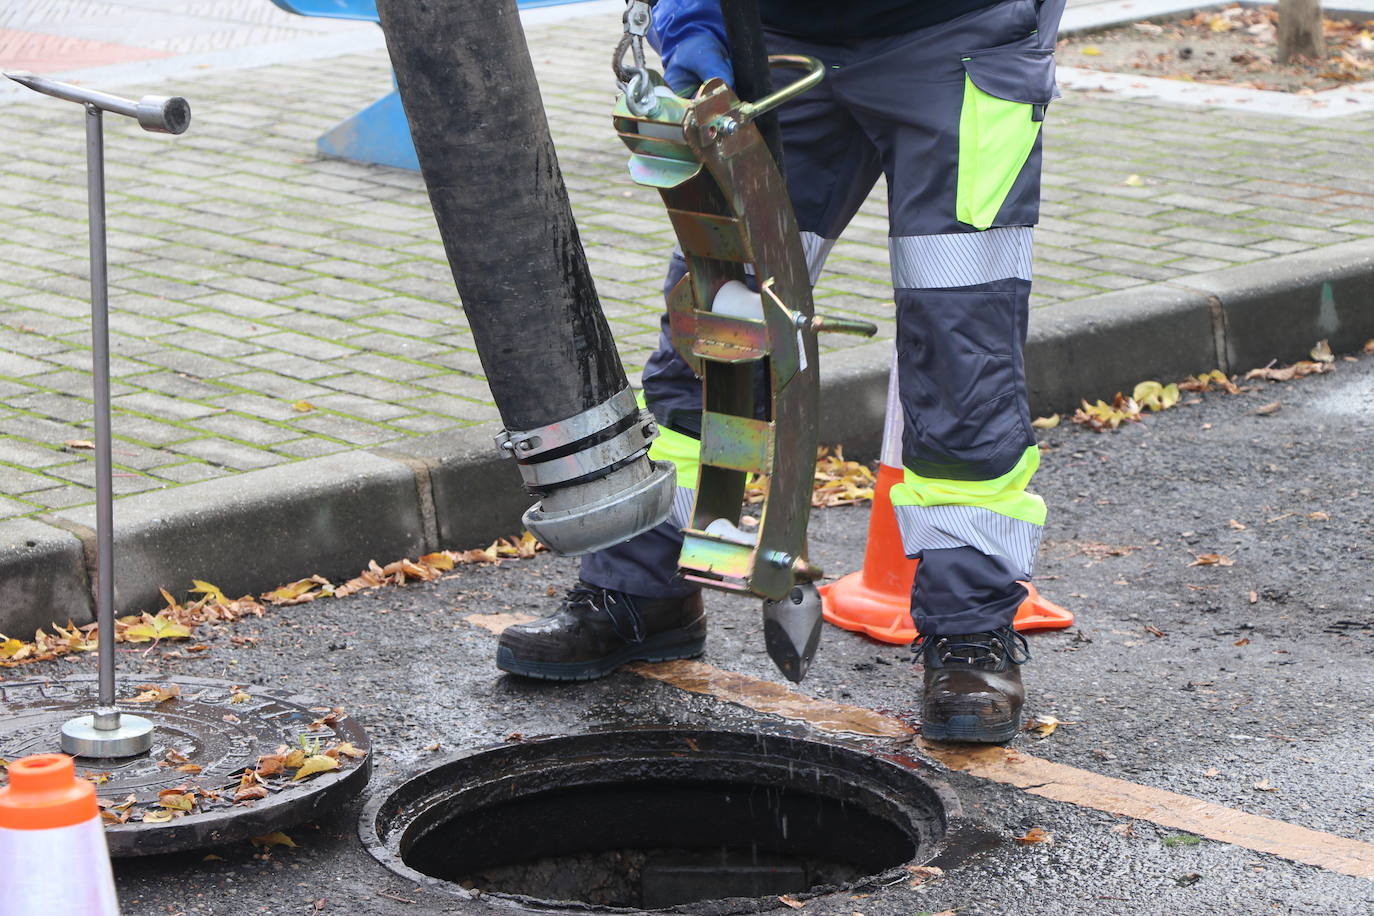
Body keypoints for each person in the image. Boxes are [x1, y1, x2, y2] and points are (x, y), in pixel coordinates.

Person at [497, 0, 1066, 744]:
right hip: (778, 42)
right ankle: (642, 589)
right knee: (717, 324)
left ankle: (968, 635)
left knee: (964, 349)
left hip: (961, 37)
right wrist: (693, 27)